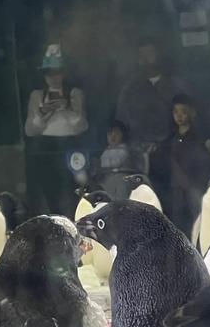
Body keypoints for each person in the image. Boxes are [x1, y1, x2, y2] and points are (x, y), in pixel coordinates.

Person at [24, 44, 88, 217]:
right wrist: (44, 112)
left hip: (71, 146)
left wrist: (66, 107)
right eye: (49, 73)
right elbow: (30, 130)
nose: (53, 77)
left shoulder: (75, 94)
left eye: (57, 72)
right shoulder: (37, 96)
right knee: (50, 194)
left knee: (75, 192)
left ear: (63, 73)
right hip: (46, 148)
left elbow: (81, 125)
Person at [151, 93, 210, 237]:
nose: (179, 116)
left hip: (194, 184)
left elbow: (205, 162)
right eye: (176, 112)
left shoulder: (198, 137)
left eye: (183, 112)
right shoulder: (171, 138)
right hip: (176, 186)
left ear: (191, 113)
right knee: (178, 219)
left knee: (197, 217)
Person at [114, 40, 189, 154]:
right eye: (141, 55)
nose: (145, 59)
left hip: (174, 151)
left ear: (160, 55)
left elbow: (190, 119)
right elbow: (121, 124)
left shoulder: (178, 86)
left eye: (149, 53)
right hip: (139, 154)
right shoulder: (129, 90)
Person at [96, 119, 146, 199]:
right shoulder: (105, 152)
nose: (113, 136)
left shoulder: (126, 150)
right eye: (110, 133)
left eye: (117, 133)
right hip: (106, 183)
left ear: (123, 135)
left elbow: (116, 163)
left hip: (122, 184)